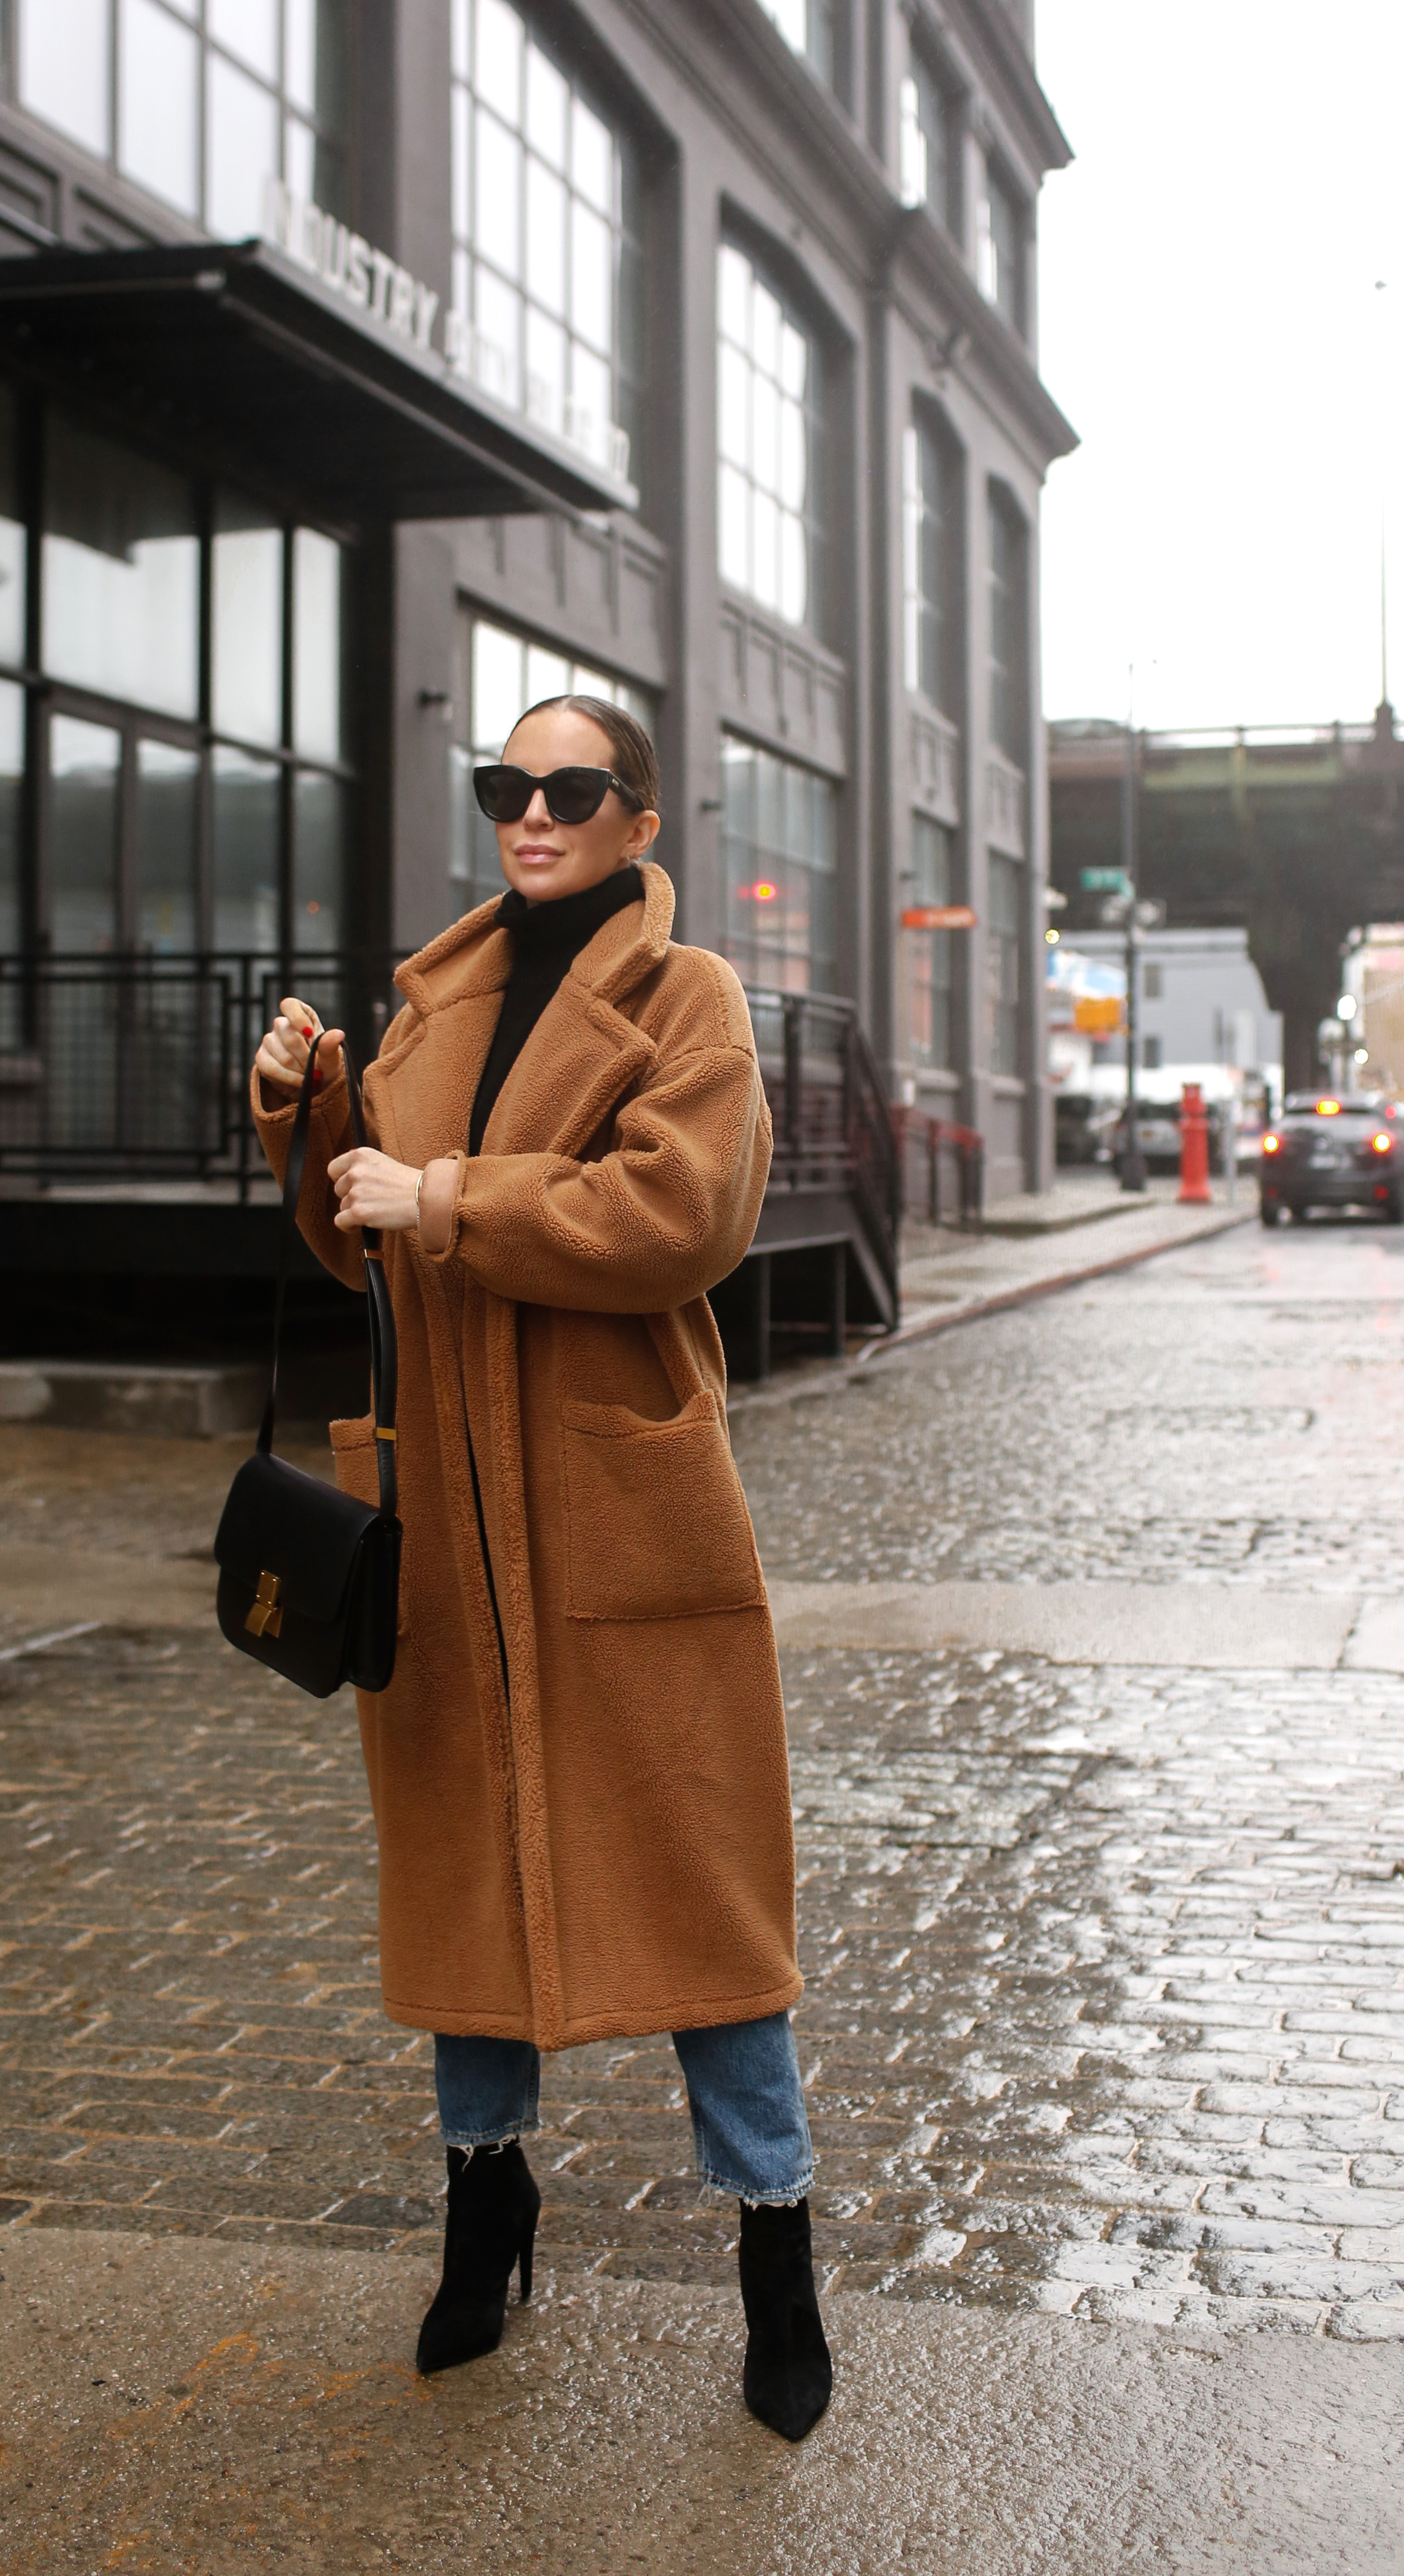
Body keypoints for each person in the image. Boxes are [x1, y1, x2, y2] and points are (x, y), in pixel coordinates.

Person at [250, 696, 831, 2441]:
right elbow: (365, 1239)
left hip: (616, 1504)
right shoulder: (435, 1001)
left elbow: (682, 1219)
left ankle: (776, 2256)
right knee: (462, 1867)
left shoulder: (688, 1001)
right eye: (506, 786)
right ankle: (483, 2211)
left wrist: (456, 1201)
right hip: (449, 1510)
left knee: (699, 1881)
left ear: (636, 818)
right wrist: (314, 1121)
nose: (532, 812)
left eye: (570, 788)